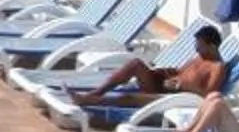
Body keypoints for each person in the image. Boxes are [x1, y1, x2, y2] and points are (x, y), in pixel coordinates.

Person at [71, 25, 230, 109]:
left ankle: (89, 101)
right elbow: (180, 72)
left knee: (130, 98)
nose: (196, 48)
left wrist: (180, 86)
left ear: (212, 46)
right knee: (136, 64)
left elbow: (208, 95)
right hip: (165, 86)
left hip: (176, 98)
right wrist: (163, 72)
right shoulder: (200, 57)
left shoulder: (217, 67)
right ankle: (97, 92)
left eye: (200, 45)